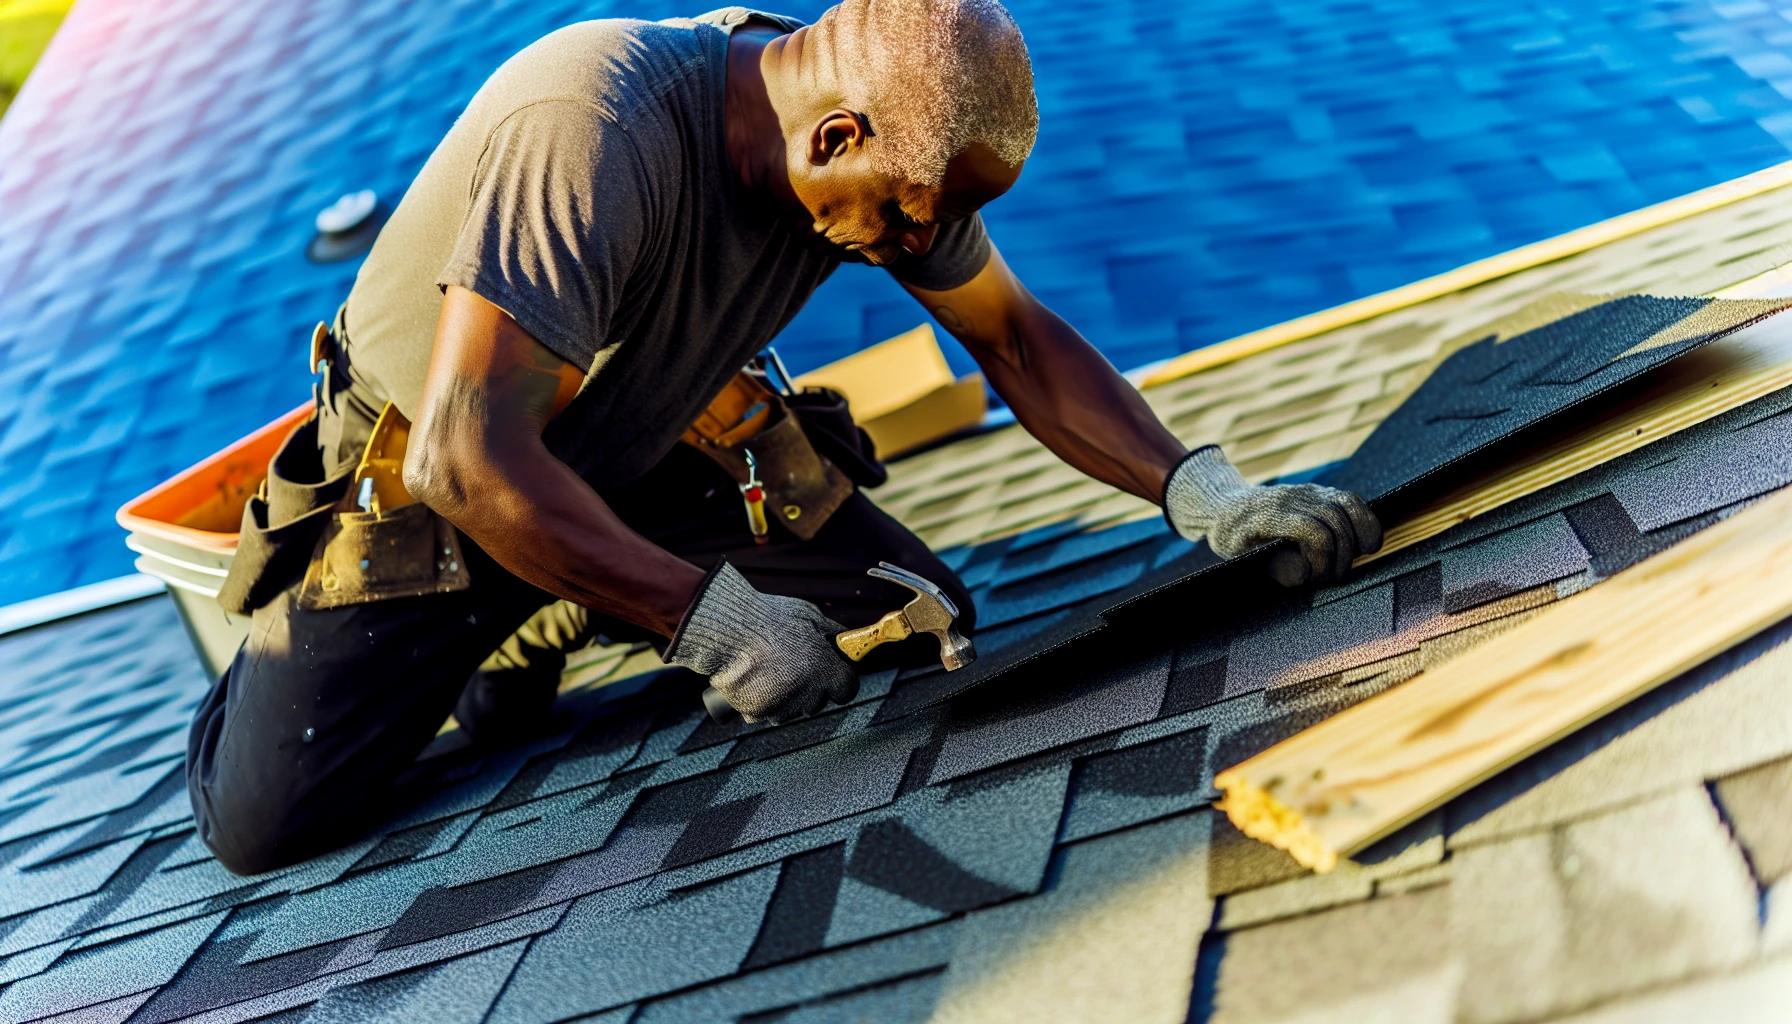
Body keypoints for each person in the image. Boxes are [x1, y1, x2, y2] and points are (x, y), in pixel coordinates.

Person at [187, 0, 1381, 875]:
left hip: (641, 450)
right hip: (430, 493)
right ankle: (479, 621)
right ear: (833, 139)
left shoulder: (883, 142)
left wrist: (1201, 490)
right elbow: (464, 455)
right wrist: (712, 625)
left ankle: (566, 598)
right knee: (264, 827)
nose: (927, 249)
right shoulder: (592, 125)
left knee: (916, 615)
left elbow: (1014, 341)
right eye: (916, 220)